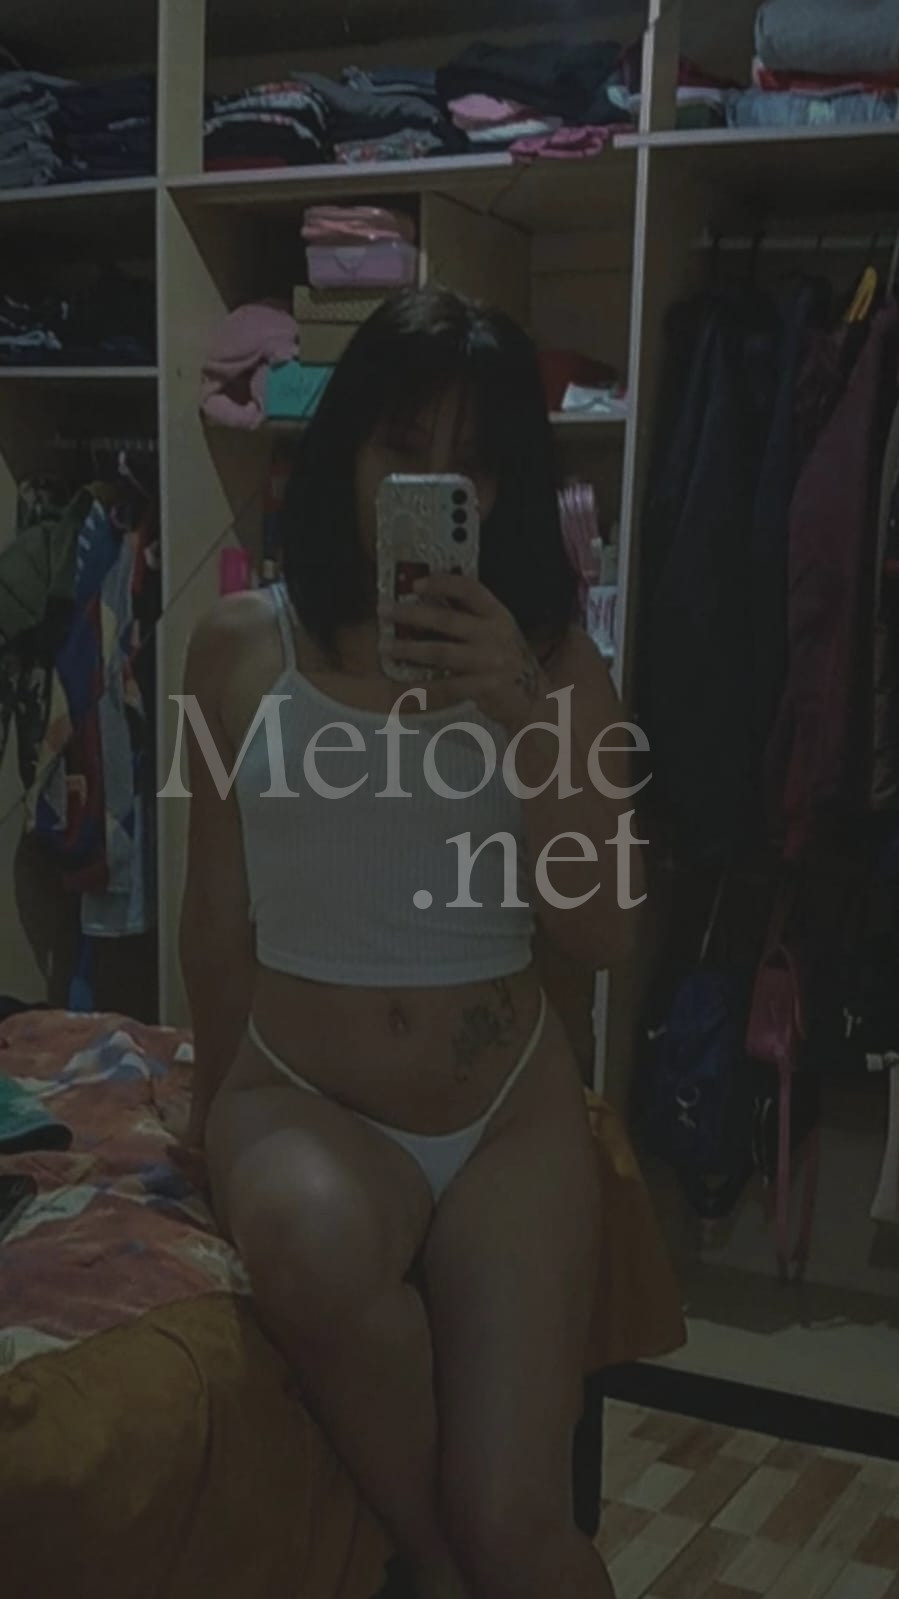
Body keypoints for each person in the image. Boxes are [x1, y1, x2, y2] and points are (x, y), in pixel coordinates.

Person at [180, 287, 641, 1599]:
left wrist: (524, 711)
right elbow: (215, 916)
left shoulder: (556, 665)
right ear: (346, 455)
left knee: (520, 1527)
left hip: (505, 1119)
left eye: (472, 464)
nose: (432, 483)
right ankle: (434, 1569)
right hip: (302, 1099)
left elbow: (604, 930)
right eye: (400, 445)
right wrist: (211, 1124)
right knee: (310, 1243)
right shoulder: (238, 647)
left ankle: (466, 1559)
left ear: (504, 493)